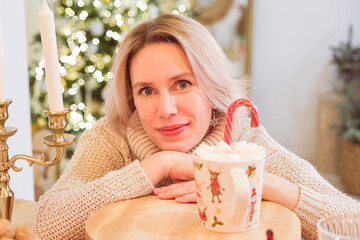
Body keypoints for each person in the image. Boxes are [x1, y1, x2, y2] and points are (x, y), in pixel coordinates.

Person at [33, 14, 360, 240]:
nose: (166, 109)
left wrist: (261, 183)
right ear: (131, 97)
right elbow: (44, 226)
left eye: (182, 84)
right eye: (147, 91)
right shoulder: (114, 135)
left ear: (211, 86)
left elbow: (352, 224)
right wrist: (161, 164)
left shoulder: (244, 140)